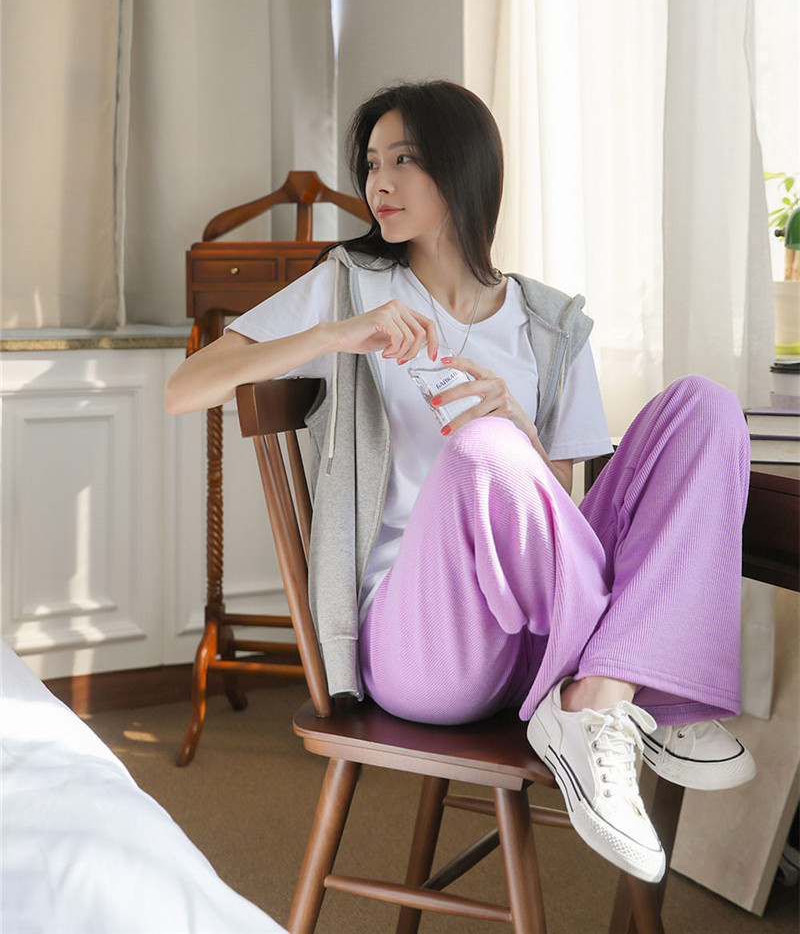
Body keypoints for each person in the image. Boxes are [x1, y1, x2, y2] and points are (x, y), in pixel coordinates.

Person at [166, 80, 755, 884]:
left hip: (535, 637)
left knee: (705, 408)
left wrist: (523, 432)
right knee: (480, 448)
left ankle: (599, 693)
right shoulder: (350, 285)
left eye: (403, 160)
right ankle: (635, 678)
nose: (378, 183)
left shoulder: (550, 323)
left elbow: (559, 518)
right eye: (372, 162)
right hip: (420, 646)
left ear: (464, 167)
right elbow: (185, 389)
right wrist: (337, 336)